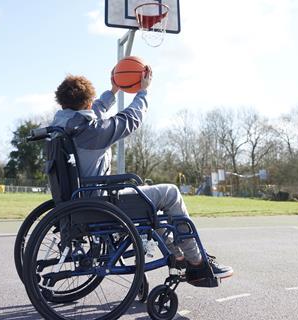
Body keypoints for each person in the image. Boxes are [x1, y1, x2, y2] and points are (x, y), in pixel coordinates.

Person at [49, 68, 233, 285]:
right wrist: (143, 92)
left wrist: (113, 91)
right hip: (98, 205)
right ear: (87, 103)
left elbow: (92, 112)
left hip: (75, 202)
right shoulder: (93, 132)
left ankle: (178, 255)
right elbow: (130, 119)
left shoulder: (61, 127)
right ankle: (197, 262)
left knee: (149, 204)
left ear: (62, 102)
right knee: (170, 193)